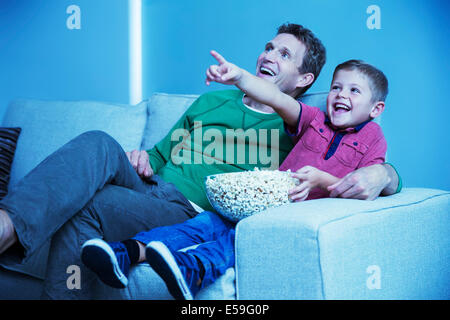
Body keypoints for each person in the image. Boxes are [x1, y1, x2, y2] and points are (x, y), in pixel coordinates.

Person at [0, 23, 398, 299]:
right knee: (99, 143)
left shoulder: (299, 123)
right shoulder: (210, 100)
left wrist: (383, 172)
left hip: (185, 209)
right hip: (150, 188)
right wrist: (141, 158)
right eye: (268, 47)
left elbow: (361, 157)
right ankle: (6, 225)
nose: (269, 55)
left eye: (284, 54)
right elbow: (157, 156)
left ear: (304, 80)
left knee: (87, 206)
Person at [81, 56, 396, 300]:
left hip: (289, 217)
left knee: (234, 239)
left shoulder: (373, 139)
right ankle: (128, 253)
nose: (341, 95)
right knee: (201, 225)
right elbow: (277, 99)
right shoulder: (314, 120)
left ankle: (194, 270)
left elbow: (366, 187)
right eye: (337, 87)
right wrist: (240, 77)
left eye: (354, 90)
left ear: (376, 108)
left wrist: (323, 180)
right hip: (261, 202)